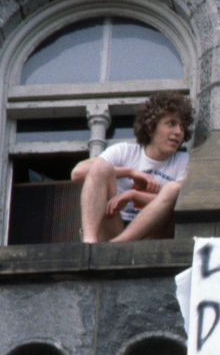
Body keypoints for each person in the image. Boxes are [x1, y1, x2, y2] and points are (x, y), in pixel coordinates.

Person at [71, 91, 193, 243]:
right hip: (113, 228)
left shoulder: (182, 160)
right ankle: (89, 244)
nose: (178, 132)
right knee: (101, 167)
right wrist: (130, 172)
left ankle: (121, 245)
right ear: (150, 128)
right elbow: (77, 173)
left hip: (151, 236)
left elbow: (180, 200)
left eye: (182, 126)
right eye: (171, 123)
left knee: (174, 189)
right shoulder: (126, 151)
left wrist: (132, 195)